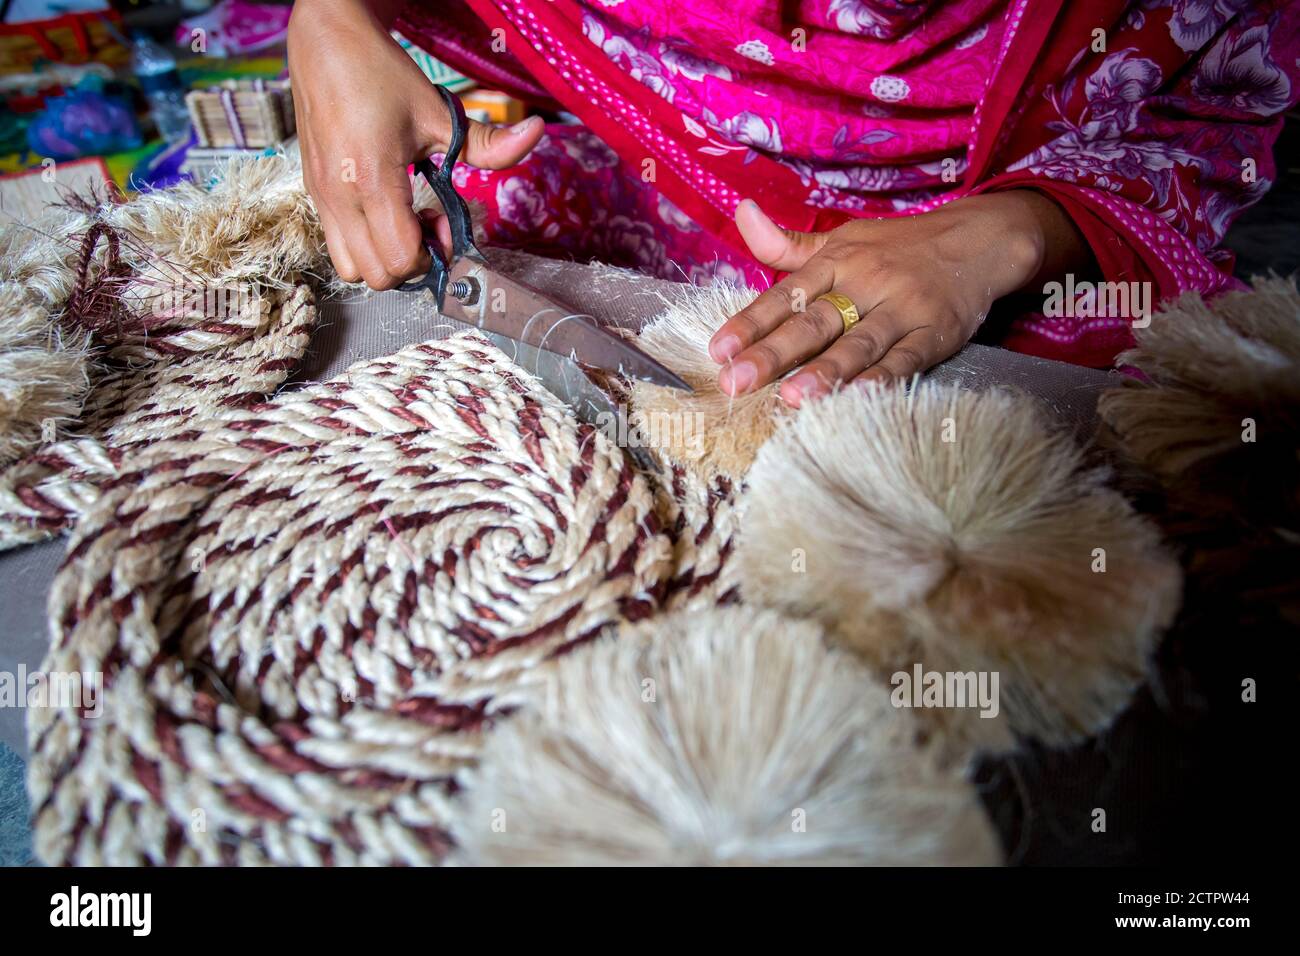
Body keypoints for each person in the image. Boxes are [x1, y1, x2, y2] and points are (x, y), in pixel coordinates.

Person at [288, 0, 1299, 406]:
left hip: (1003, 243)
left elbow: (1201, 118)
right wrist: (330, 13)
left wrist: (1004, 234)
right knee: (498, 214)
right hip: (665, 153)